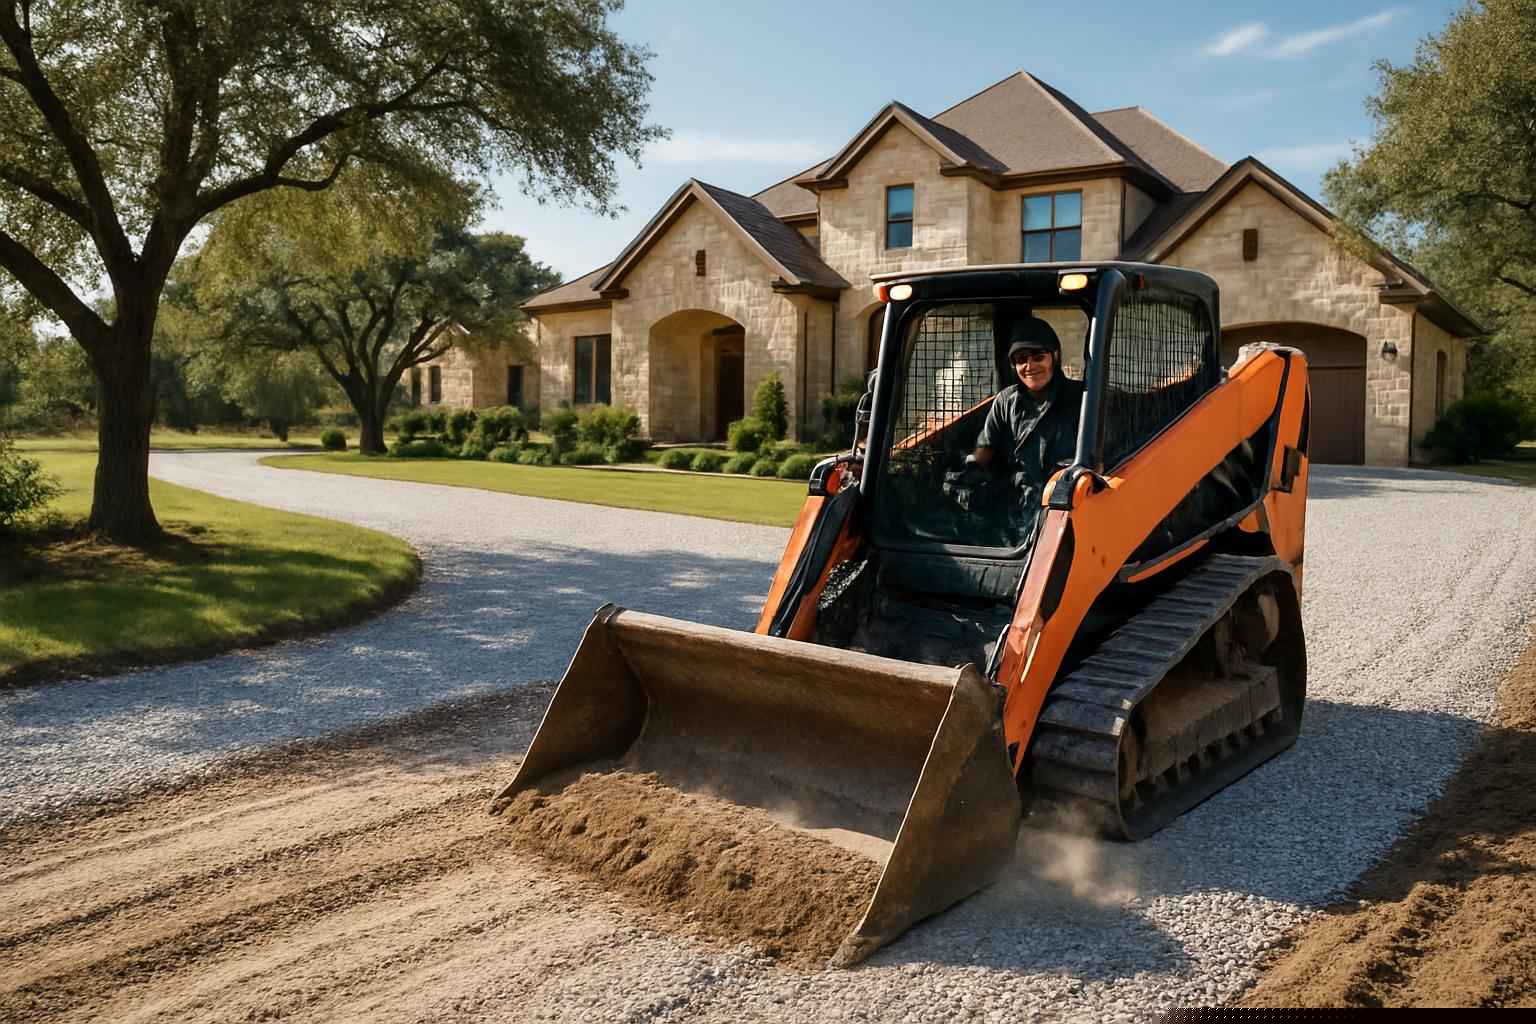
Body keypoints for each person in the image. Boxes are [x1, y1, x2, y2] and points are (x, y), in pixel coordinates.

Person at [969, 316, 1084, 493]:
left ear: (1055, 356)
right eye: (1022, 359)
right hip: (1016, 500)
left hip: (1064, 497)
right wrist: (968, 470)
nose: (1030, 366)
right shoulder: (1005, 401)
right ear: (1014, 365)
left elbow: (1096, 463)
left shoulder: (1081, 399)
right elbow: (985, 448)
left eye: (1039, 357)